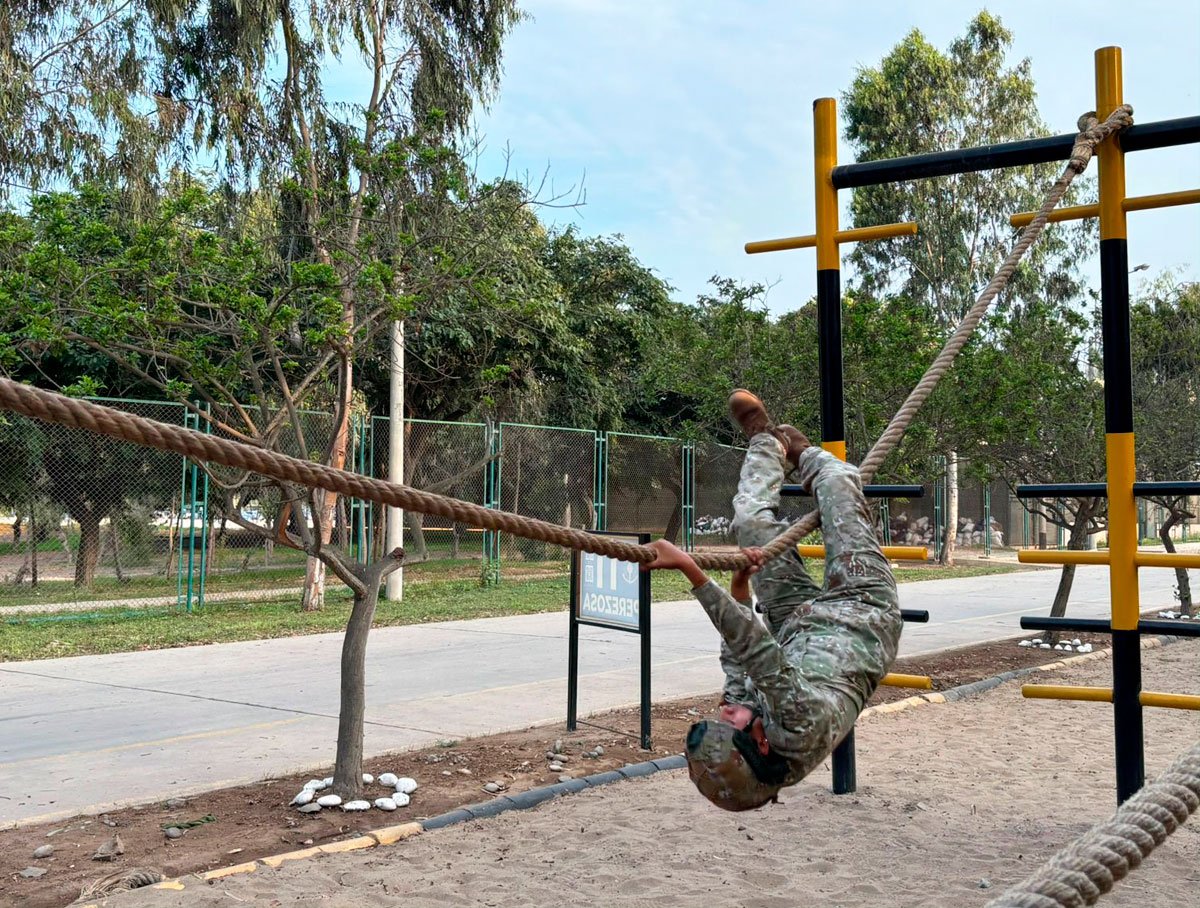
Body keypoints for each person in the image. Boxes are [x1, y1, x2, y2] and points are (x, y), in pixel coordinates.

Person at [643, 390, 902, 811]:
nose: (723, 715)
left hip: (796, 625)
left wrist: (741, 589)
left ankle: (766, 440)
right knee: (837, 483)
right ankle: (803, 453)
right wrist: (690, 570)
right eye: (729, 726)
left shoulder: (751, 732)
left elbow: (736, 658)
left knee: (749, 527)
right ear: (761, 744)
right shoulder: (800, 730)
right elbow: (758, 654)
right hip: (863, 610)